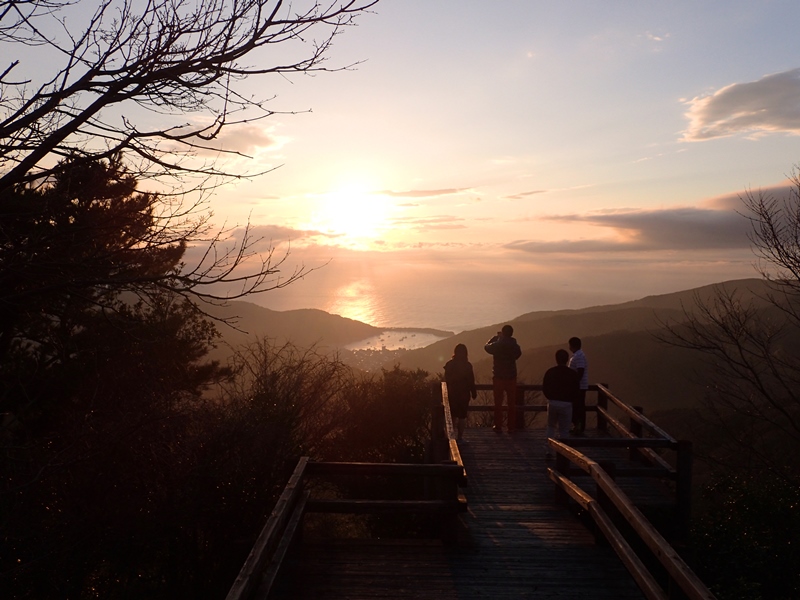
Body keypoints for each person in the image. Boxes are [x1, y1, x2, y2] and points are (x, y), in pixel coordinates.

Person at [543, 349, 581, 459]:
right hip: (566, 404)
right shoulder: (572, 374)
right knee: (564, 430)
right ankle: (563, 453)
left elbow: (545, 388)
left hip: (553, 402)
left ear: (556, 359)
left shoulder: (550, 372)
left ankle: (549, 451)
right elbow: (576, 390)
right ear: (567, 359)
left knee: (551, 427)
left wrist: (550, 397)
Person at [484, 324, 522, 433]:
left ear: (503, 332)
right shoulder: (515, 345)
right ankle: (511, 427)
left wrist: (494, 338)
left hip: (499, 377)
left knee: (498, 403)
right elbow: (518, 355)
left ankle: (498, 425)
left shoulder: (497, 344)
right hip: (511, 377)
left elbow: (486, 347)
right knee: (511, 403)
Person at [444, 343, 478, 441]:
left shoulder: (449, 364)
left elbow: (447, 379)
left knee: (453, 416)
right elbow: (471, 380)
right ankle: (460, 437)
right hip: (464, 394)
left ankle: (451, 437)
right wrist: (473, 392)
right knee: (462, 416)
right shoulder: (467, 365)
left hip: (452, 393)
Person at [568, 336, 588, 435]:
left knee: (578, 408)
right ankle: (578, 427)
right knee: (577, 407)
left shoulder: (578, 356)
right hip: (579, 386)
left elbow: (580, 371)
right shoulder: (578, 355)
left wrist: (574, 383)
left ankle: (579, 428)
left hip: (579, 387)